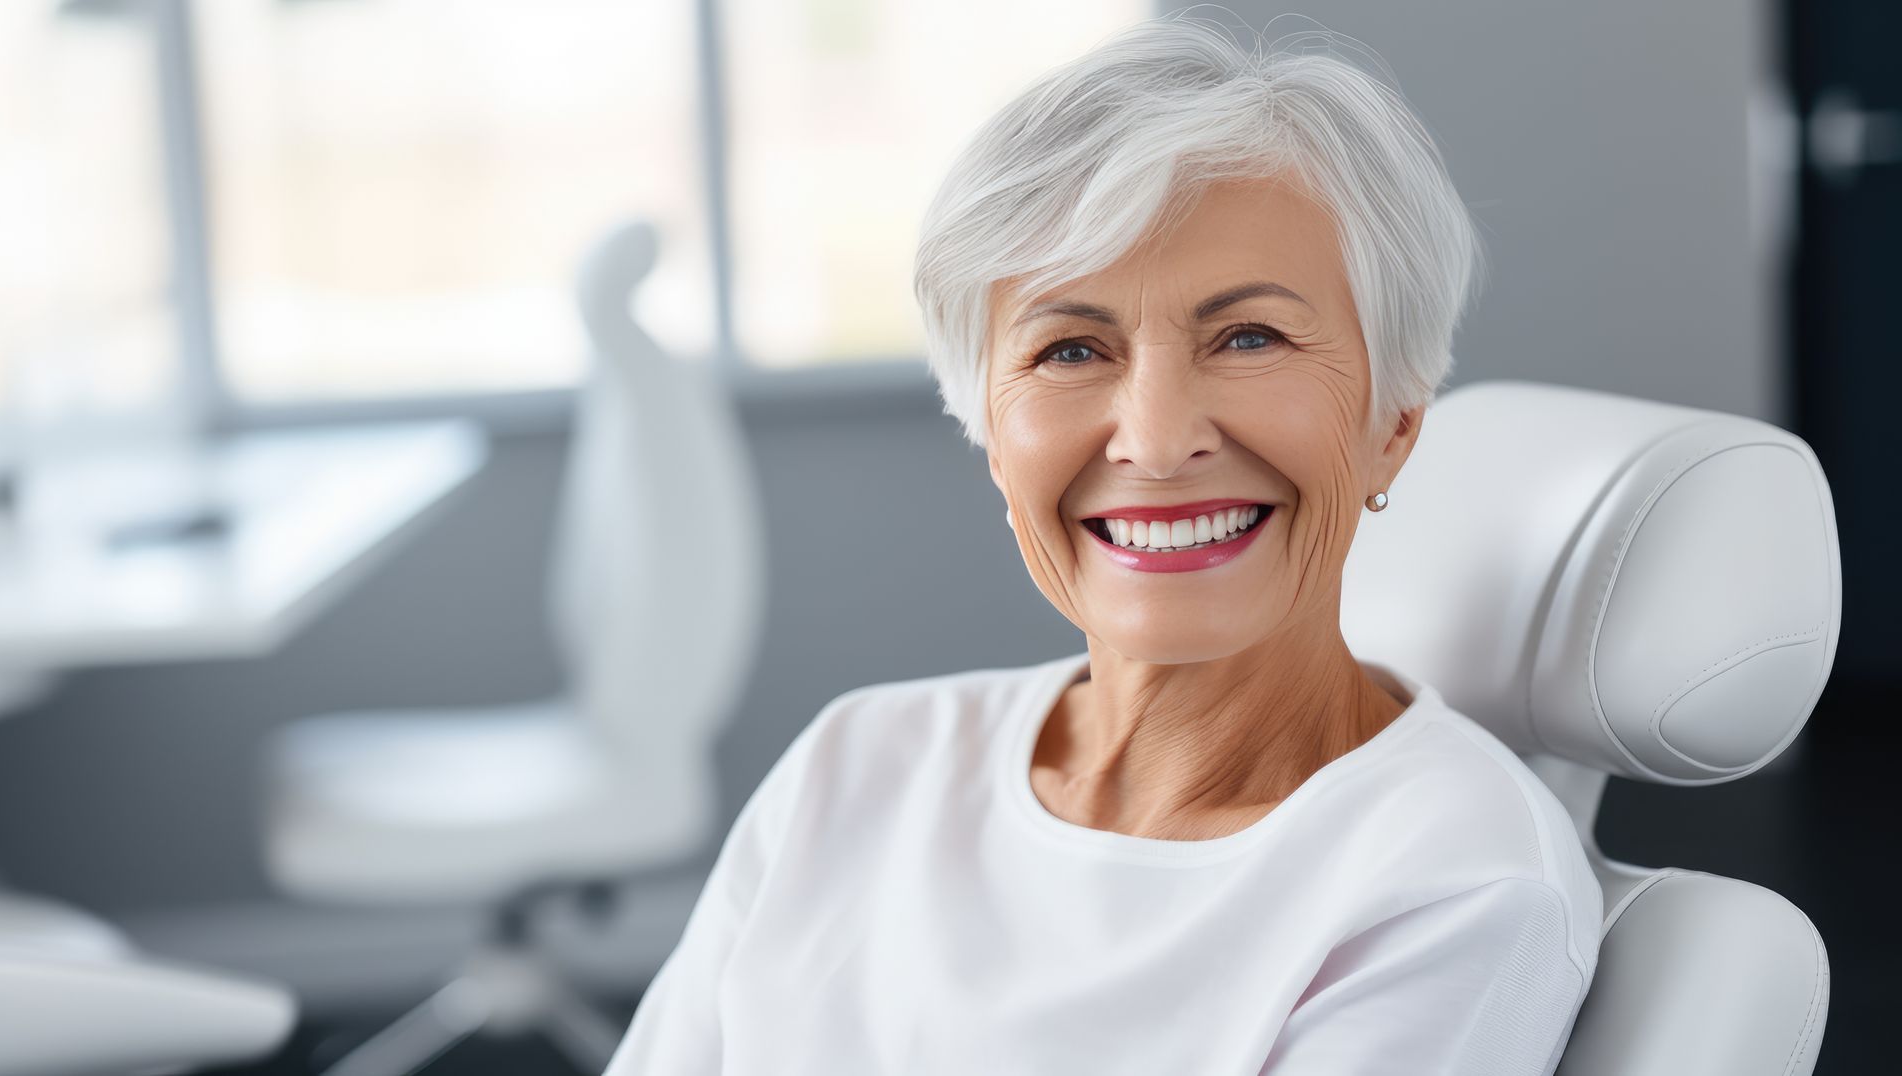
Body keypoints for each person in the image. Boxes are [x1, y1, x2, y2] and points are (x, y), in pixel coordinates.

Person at [606, 14, 1600, 1074]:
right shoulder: (855, 766)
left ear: (1395, 418)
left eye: (1249, 336)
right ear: (990, 434)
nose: (1161, 442)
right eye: (1071, 347)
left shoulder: (1451, 882)